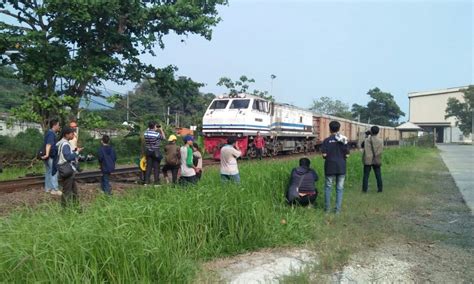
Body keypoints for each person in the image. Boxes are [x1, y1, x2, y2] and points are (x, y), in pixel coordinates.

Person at [321, 121, 350, 214]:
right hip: (341, 167)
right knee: (339, 188)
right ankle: (337, 210)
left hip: (330, 167)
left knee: (328, 187)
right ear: (339, 128)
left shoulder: (326, 140)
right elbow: (347, 155)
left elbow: (324, 155)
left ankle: (327, 209)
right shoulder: (344, 140)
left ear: (330, 129)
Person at [56, 127, 83, 207]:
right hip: (67, 169)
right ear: (66, 134)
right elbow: (68, 157)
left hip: (64, 169)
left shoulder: (61, 143)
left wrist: (74, 151)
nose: (73, 135)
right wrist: (77, 152)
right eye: (72, 133)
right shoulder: (65, 144)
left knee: (74, 190)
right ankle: (65, 209)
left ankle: (77, 207)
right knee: (67, 191)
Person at [41, 119, 61, 195]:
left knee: (48, 172)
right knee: (54, 171)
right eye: (58, 125)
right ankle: (54, 189)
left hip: (48, 156)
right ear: (54, 125)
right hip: (50, 156)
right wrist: (47, 154)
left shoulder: (49, 133)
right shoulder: (51, 134)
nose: (59, 127)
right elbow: (48, 144)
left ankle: (48, 188)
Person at [362, 126, 384, 193]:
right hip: (376, 159)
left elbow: (361, 145)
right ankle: (380, 189)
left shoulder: (367, 140)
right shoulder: (380, 141)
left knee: (366, 175)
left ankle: (364, 189)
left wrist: (366, 135)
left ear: (371, 131)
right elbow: (381, 150)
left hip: (367, 159)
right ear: (378, 132)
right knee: (378, 175)